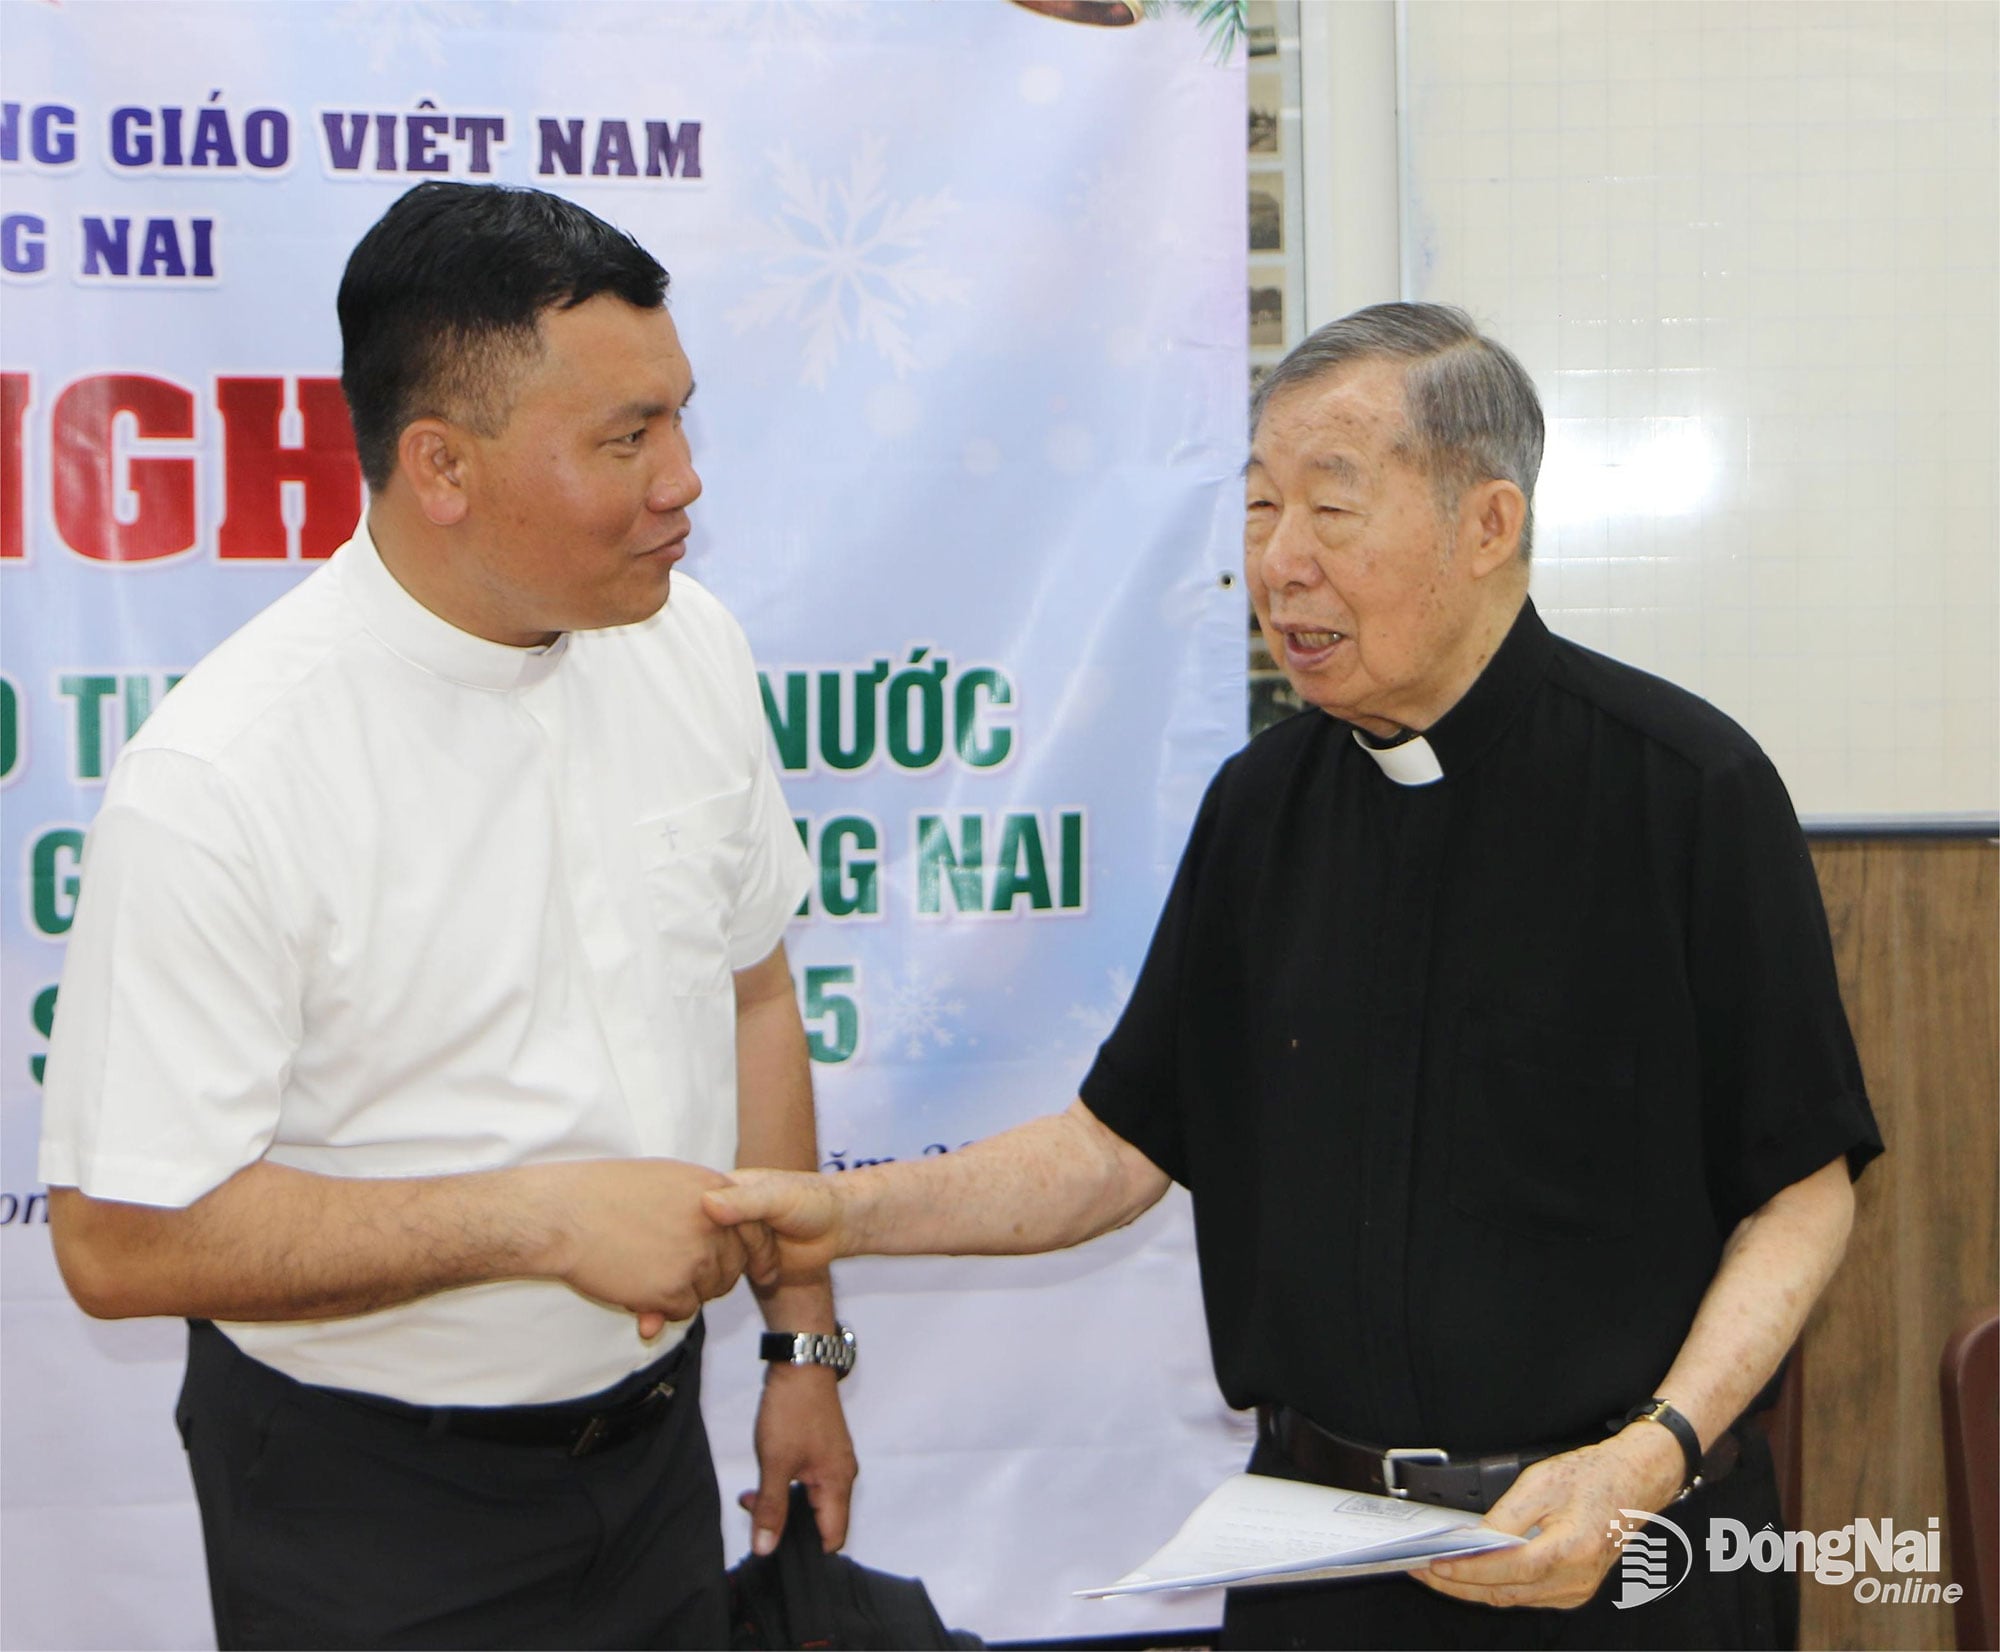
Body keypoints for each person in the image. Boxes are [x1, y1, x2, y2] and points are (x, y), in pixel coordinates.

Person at [706, 303, 1882, 1650]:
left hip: (1617, 1555)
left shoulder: (1688, 793)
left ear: (1488, 526)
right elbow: (1112, 1153)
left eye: (1333, 509)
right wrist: (828, 1215)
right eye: (1261, 509)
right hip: (1317, 1566)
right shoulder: (1260, 807)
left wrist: (1651, 1458)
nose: (1280, 564)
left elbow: (1803, 1193)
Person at [39, 181, 855, 1651]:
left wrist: (802, 1345)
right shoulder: (227, 775)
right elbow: (118, 1240)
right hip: (365, 1505)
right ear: (442, 466)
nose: (683, 480)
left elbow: (752, 988)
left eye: (679, 417)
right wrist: (538, 1219)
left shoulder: (690, 648)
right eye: (626, 438)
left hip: (660, 1455)